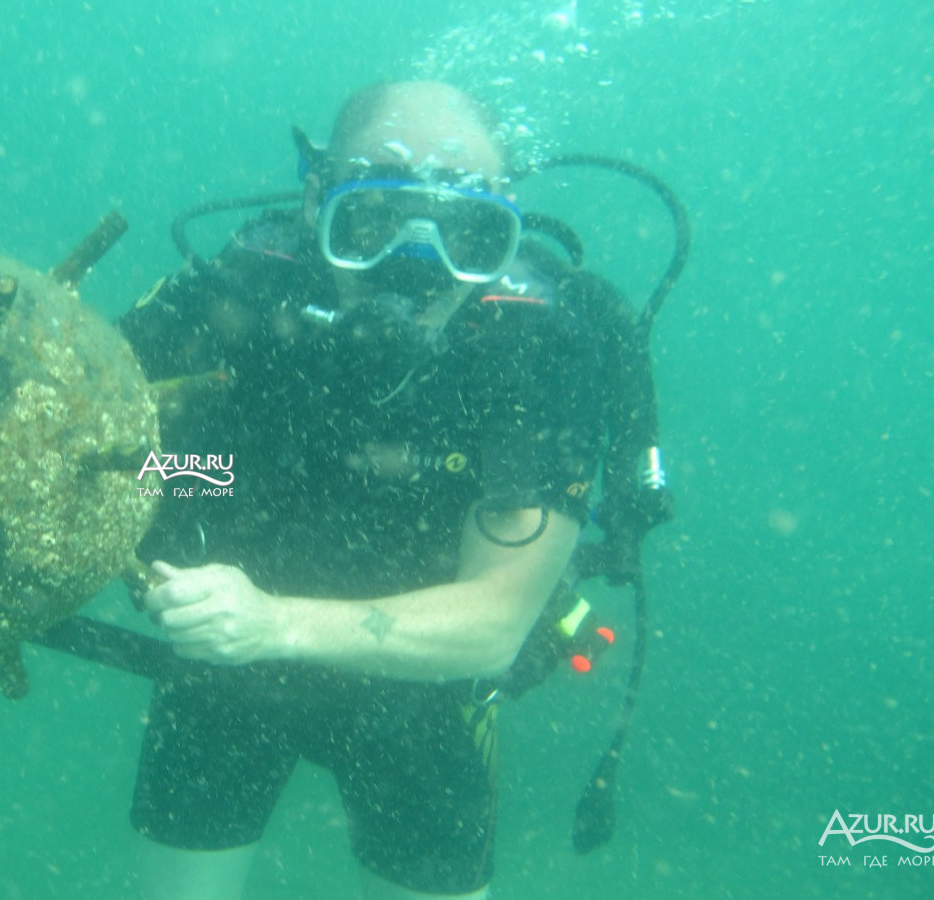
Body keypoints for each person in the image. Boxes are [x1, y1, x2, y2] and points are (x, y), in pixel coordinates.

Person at [117, 81, 625, 899]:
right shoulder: (246, 287)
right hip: (221, 644)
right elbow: (80, 417)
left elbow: (495, 622)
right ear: (316, 198)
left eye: (468, 233)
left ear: (508, 227)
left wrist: (272, 622)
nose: (416, 268)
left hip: (421, 689)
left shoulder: (533, 349)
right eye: (372, 221)